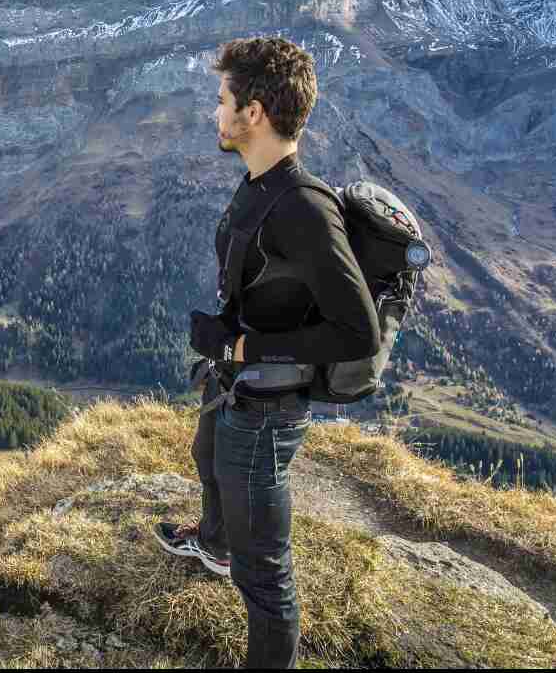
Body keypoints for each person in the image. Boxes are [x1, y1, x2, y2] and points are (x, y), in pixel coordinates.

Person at [155, 36, 381, 669]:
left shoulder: (304, 209)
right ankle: (213, 541)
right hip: (236, 382)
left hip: (267, 408)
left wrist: (242, 343)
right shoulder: (261, 183)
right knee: (206, 455)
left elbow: (356, 332)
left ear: (253, 112)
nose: (215, 112)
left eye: (222, 99)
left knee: (267, 579)